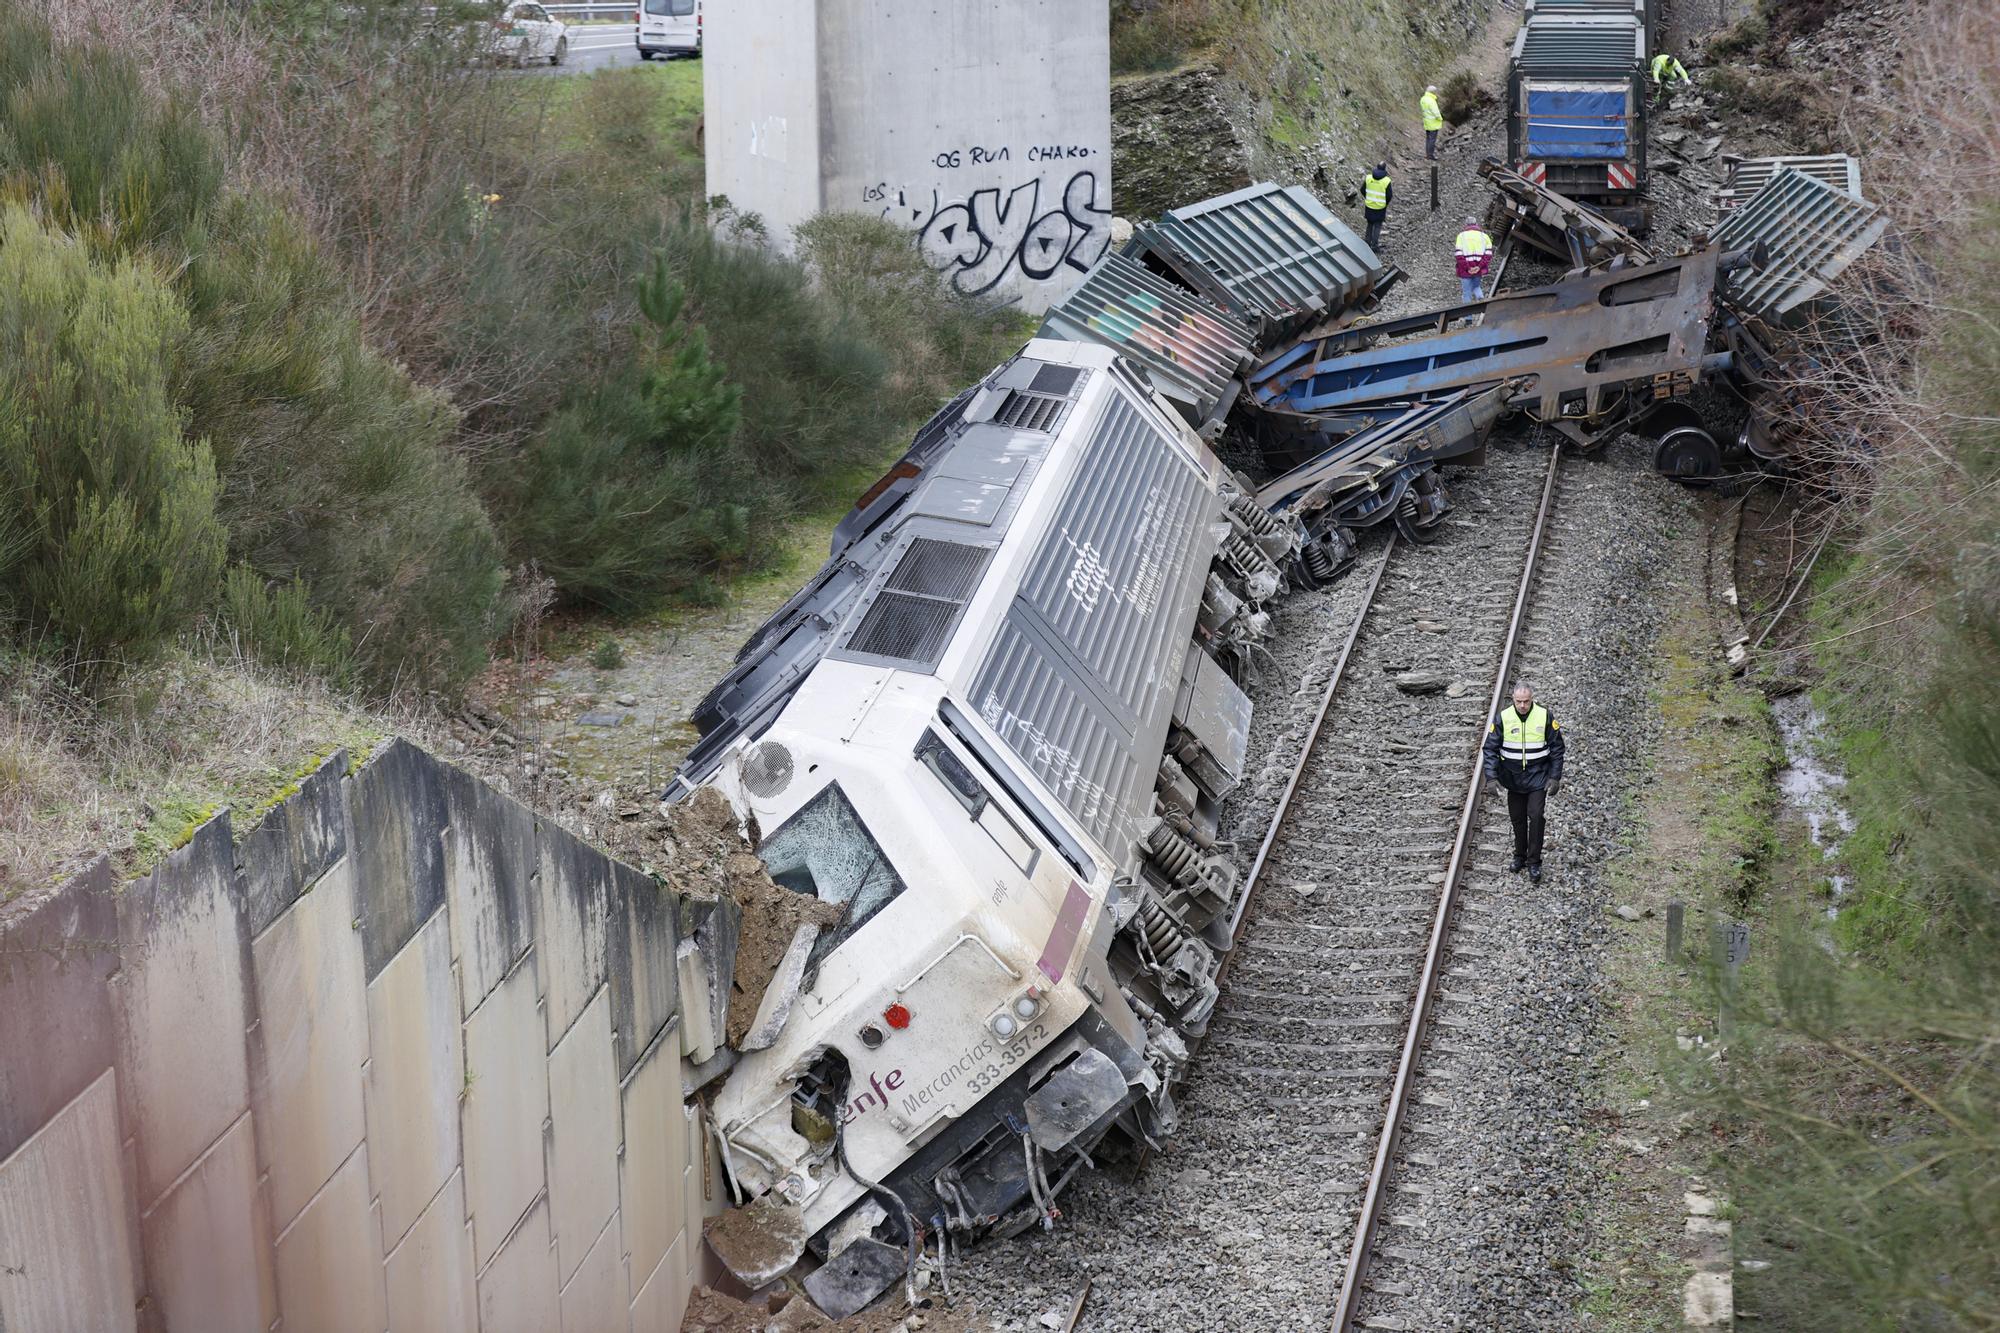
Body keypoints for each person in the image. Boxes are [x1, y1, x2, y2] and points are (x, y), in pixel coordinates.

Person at [1482, 681, 1566, 882]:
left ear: (1532, 699)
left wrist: (1555, 777)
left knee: (1536, 816)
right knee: (1517, 818)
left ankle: (1534, 862)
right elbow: (1490, 749)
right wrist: (1491, 777)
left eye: (1526, 702)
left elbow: (1557, 748)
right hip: (1513, 778)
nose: (1522, 706)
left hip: (1538, 777)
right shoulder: (1503, 718)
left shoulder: (1544, 716)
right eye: (1519, 702)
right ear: (1513, 700)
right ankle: (1519, 855)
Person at [1454, 216, 1494, 304]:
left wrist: (1468, 268)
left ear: (1466, 224)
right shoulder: (1484, 236)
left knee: (1467, 292)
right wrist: (1479, 267)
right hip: (1478, 269)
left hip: (1465, 270)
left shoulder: (1461, 236)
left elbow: (1458, 255)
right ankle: (1482, 302)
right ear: (1476, 224)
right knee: (1476, 287)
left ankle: (1468, 317)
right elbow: (1488, 254)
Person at [1362, 164, 1393, 252]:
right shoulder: (1386, 181)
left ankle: (1367, 243)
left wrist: (1368, 198)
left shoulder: (1368, 178)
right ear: (1384, 169)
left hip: (1369, 206)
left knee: (1370, 224)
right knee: (1377, 226)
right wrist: (1384, 203)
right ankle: (1374, 246)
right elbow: (1389, 195)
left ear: (1377, 167)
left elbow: (1362, 190)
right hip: (1380, 207)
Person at [1421, 85, 1445, 160]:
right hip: (1433, 122)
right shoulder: (1431, 100)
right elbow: (1435, 111)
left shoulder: (1423, 99)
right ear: (1433, 92)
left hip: (1426, 121)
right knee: (1432, 140)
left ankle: (1428, 154)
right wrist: (1440, 118)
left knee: (1428, 139)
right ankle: (1430, 155)